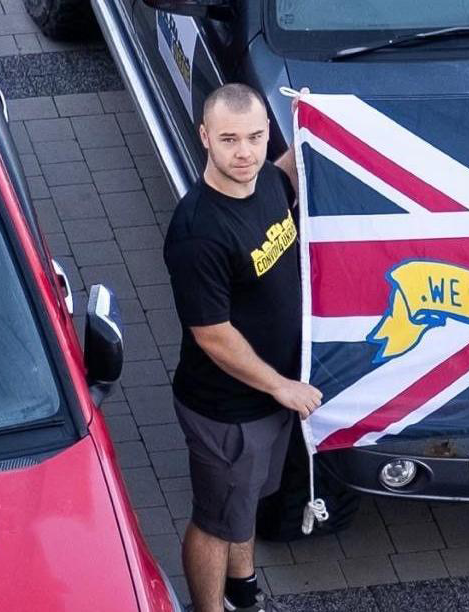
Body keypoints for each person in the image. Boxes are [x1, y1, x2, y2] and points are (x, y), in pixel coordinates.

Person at [163, 83, 321, 612]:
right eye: (229, 139)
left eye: (255, 136)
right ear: (205, 136)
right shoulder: (197, 231)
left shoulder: (268, 185)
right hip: (227, 412)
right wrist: (282, 386)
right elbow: (212, 334)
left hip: (272, 400)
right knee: (215, 520)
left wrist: (321, 119)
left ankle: (243, 591)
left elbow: (288, 167)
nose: (245, 152)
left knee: (242, 505)